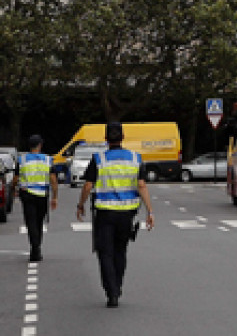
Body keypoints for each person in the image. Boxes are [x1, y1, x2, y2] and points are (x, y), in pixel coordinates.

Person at [76, 122, 155, 308]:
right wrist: (150, 211)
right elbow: (142, 185)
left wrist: (81, 205)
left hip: (105, 214)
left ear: (105, 139)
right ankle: (117, 285)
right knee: (120, 251)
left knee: (105, 253)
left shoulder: (98, 159)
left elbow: (88, 185)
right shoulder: (135, 158)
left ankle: (111, 291)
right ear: (123, 137)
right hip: (127, 214)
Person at [11, 134, 58, 262]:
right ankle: (36, 248)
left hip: (27, 195)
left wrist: (14, 189)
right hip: (42, 195)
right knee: (38, 222)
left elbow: (15, 178)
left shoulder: (22, 160)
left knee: (30, 222)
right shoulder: (48, 159)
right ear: (40, 145)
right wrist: (55, 197)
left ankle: (35, 248)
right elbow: (53, 179)